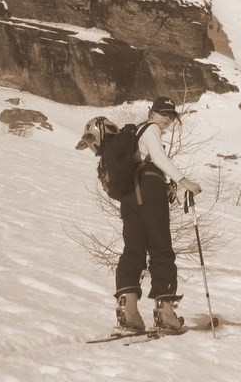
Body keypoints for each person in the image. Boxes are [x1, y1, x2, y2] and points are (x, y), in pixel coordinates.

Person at [77, 96, 201, 334]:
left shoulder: (133, 138)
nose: (166, 119)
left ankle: (129, 313)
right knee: (161, 248)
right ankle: (165, 313)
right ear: (151, 112)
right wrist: (184, 181)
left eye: (171, 116)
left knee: (133, 250)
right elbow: (159, 157)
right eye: (163, 113)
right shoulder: (149, 128)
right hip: (149, 190)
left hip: (130, 198)